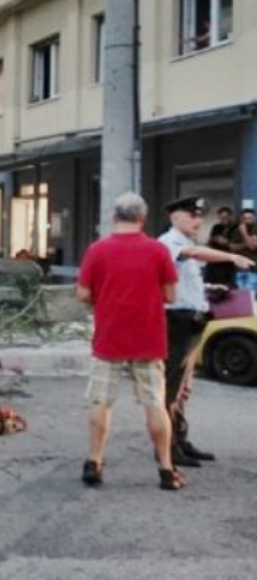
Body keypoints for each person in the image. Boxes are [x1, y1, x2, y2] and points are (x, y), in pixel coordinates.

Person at [77, 193, 182, 491]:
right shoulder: (157, 250)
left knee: (101, 401)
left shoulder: (97, 250)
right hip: (149, 339)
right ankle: (165, 469)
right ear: (142, 218)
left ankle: (94, 462)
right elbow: (171, 295)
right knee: (155, 403)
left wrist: (105, 300)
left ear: (114, 216)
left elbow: (83, 294)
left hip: (109, 338)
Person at [159, 196, 254, 469]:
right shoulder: (170, 242)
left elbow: (186, 279)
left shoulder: (186, 243)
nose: (198, 220)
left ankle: (180, 439)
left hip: (193, 320)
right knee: (171, 388)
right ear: (175, 217)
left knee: (184, 389)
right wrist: (232, 256)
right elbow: (194, 255)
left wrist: (210, 287)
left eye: (199, 215)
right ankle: (168, 447)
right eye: (191, 215)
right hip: (177, 322)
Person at [205, 207, 237, 288]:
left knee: (226, 286)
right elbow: (210, 241)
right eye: (221, 217)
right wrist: (213, 240)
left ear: (230, 216)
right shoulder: (216, 227)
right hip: (214, 260)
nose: (223, 219)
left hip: (228, 262)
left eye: (225, 217)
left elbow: (237, 245)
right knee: (209, 284)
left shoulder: (236, 227)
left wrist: (226, 242)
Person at [229, 208, 257, 291]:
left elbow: (253, 246)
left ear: (254, 218)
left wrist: (244, 233)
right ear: (241, 219)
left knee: (250, 294)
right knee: (239, 295)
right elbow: (232, 247)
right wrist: (246, 244)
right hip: (238, 268)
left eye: (249, 218)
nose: (247, 220)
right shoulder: (236, 230)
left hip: (253, 268)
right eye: (245, 218)